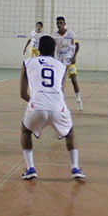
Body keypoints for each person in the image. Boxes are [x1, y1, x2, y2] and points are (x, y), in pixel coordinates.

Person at [20, 35, 85, 180]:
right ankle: (75, 167)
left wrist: (36, 102)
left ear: (38, 49)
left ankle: (30, 168)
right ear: (54, 49)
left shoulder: (27, 62)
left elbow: (23, 94)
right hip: (58, 106)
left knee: (25, 131)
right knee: (70, 133)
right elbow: (60, 91)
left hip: (37, 106)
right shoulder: (61, 66)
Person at [53, 16, 82, 110]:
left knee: (74, 80)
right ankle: (59, 102)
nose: (59, 25)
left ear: (64, 24)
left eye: (61, 23)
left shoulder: (71, 34)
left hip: (70, 60)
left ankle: (78, 100)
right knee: (60, 83)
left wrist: (74, 56)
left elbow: (77, 45)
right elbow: (51, 47)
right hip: (60, 62)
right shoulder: (54, 35)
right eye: (58, 23)